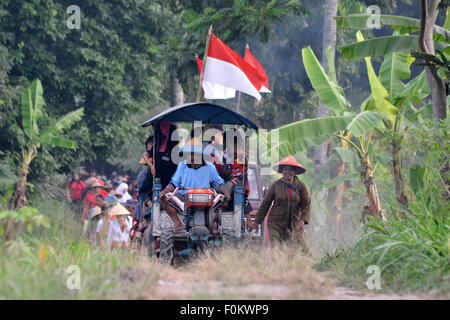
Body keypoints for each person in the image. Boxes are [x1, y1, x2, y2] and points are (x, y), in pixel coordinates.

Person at [158, 138, 233, 232]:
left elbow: (219, 183)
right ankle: (178, 223)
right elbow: (174, 184)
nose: (192, 163)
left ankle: (214, 224)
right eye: (190, 160)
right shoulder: (182, 165)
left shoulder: (210, 167)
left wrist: (226, 192)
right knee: (163, 199)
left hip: (206, 199)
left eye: (194, 160)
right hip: (184, 198)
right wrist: (164, 192)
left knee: (221, 201)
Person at [252, 155, 311, 254]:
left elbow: (306, 204)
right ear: (282, 171)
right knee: (276, 249)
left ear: (295, 172)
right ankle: (277, 267)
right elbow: (265, 204)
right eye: (285, 169)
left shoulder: (301, 186)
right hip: (276, 223)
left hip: (294, 223)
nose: (287, 172)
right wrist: (257, 221)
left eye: (290, 170)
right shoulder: (276, 185)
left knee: (300, 250)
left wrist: (303, 220)